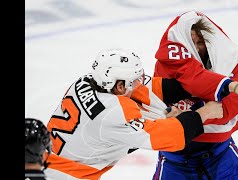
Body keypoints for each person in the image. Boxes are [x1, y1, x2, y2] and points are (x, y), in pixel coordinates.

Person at [44, 48, 225, 180]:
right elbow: (167, 137)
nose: (140, 83)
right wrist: (206, 111)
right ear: (120, 85)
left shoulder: (85, 82)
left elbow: (146, 91)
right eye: (135, 79)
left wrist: (197, 86)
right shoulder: (111, 113)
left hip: (43, 160)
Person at [152, 10, 238, 179]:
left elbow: (232, 105)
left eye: (200, 42)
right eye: (191, 42)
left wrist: (193, 117)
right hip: (177, 160)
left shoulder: (223, 61)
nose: (195, 47)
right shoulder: (167, 64)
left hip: (220, 153)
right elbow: (194, 80)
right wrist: (207, 111)